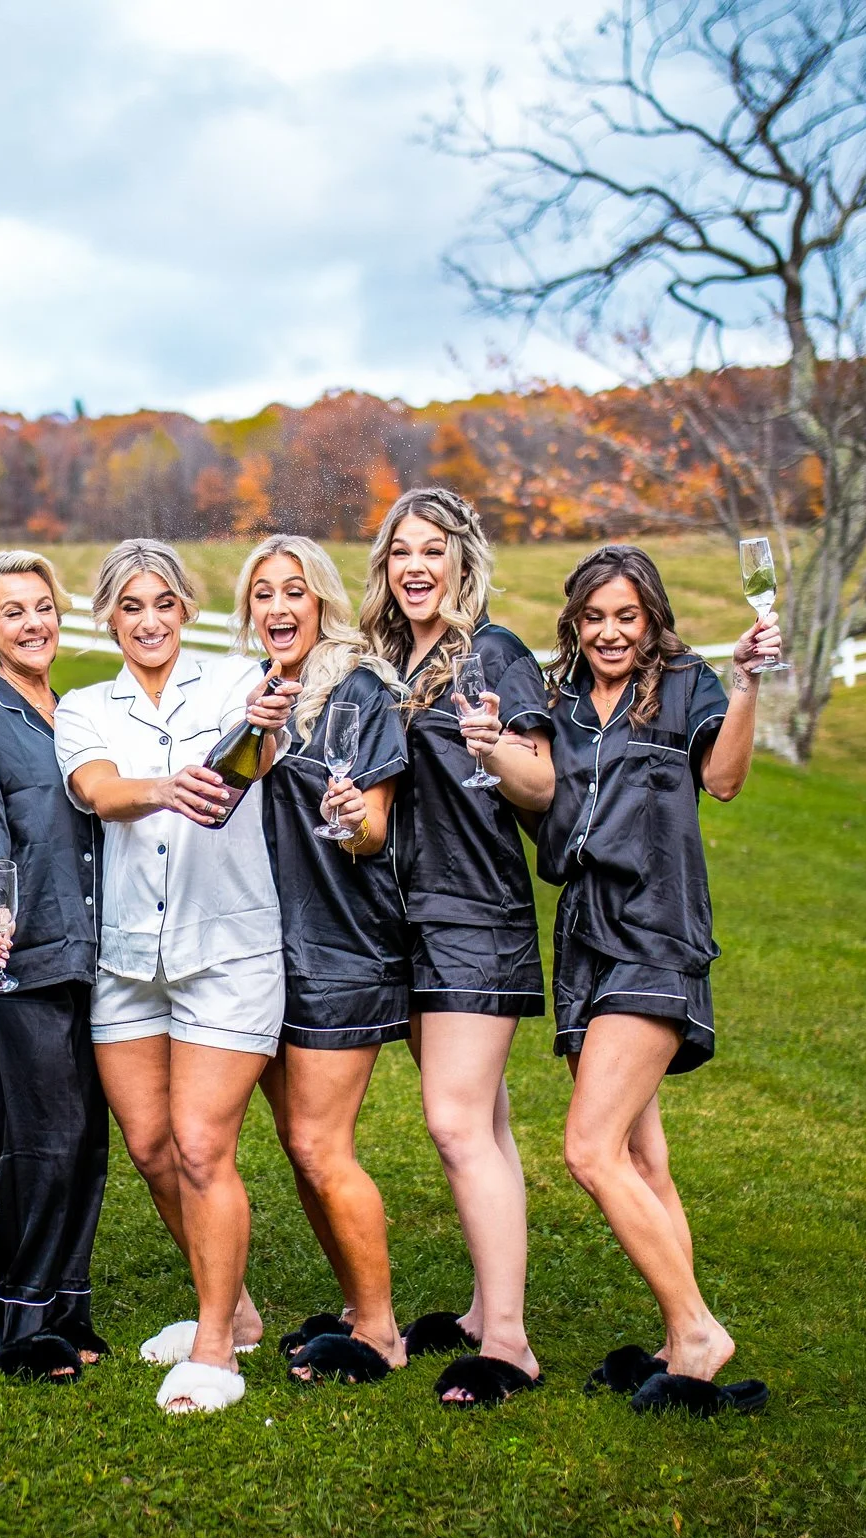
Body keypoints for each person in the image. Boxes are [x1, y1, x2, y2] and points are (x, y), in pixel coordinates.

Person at [54, 538, 296, 1416]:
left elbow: (259, 754)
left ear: (185, 607)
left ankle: (212, 1348)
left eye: (163, 602)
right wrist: (164, 786)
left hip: (227, 951)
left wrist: (264, 721)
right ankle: (238, 1310)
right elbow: (98, 790)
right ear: (110, 619)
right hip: (126, 959)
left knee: (202, 1146)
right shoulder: (83, 705)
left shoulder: (236, 685)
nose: (149, 620)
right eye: (130, 607)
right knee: (153, 1149)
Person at [535, 543, 776, 1417]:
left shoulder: (686, 683)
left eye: (626, 617)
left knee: (588, 1150)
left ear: (651, 619)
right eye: (594, 616)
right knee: (643, 1156)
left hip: (655, 930)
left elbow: (725, 779)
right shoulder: (557, 697)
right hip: (584, 937)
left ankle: (699, 1327)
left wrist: (747, 684)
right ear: (575, 620)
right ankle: (681, 1344)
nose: (609, 631)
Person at [360, 486, 558, 1409]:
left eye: (433, 549)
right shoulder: (394, 661)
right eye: (401, 550)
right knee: (484, 1124)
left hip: (475, 915)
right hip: (406, 917)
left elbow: (542, 785)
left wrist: (498, 745)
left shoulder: (495, 652)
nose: (416, 565)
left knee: (452, 1119)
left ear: (462, 560)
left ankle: (510, 1343)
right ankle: (486, 1308)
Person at [230, 535, 417, 1391]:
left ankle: (380, 1330)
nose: (277, 607)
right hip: (265, 949)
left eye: (293, 591)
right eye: (263, 593)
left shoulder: (360, 690)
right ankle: (353, 1302)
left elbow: (373, 829)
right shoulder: (257, 695)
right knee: (296, 1142)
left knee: (318, 1140)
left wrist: (350, 818)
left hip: (340, 947)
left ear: (322, 602)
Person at [0, 551, 109, 1383]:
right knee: (37, 1141)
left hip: (92, 952)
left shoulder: (78, 711)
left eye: (42, 606)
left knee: (86, 1142)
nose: (33, 622)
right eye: (12, 611)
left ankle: (69, 1305)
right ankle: (23, 1320)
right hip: (17, 952)